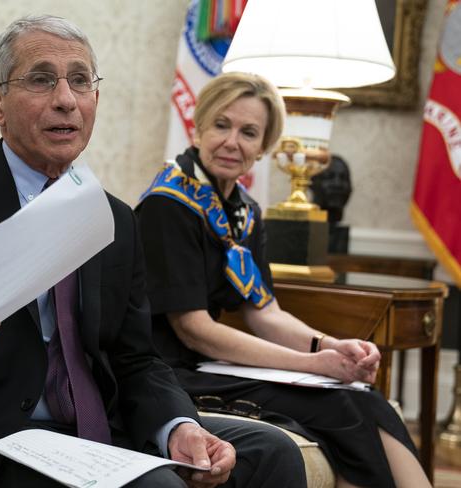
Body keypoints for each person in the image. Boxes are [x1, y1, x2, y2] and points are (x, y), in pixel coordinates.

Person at [0, 15, 307, 488]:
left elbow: (137, 361)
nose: (65, 100)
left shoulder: (116, 219)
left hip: (96, 433)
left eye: (80, 81)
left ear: (95, 100)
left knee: (272, 452)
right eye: (41, 80)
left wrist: (177, 428)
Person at [136, 72, 431, 488]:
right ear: (198, 126)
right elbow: (195, 330)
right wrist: (311, 364)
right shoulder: (169, 205)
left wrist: (330, 346)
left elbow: (266, 313)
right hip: (170, 372)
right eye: (222, 125)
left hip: (207, 363)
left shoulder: (244, 212)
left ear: (263, 148)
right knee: (339, 405)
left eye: (249, 132)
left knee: (365, 400)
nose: (232, 141)